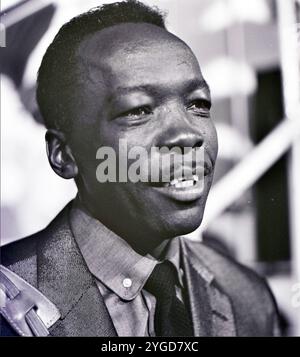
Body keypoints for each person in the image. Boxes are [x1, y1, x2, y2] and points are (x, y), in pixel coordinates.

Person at [0, 0, 280, 337]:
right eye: (138, 110)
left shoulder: (246, 297)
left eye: (198, 104)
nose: (188, 134)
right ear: (64, 154)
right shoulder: (9, 303)